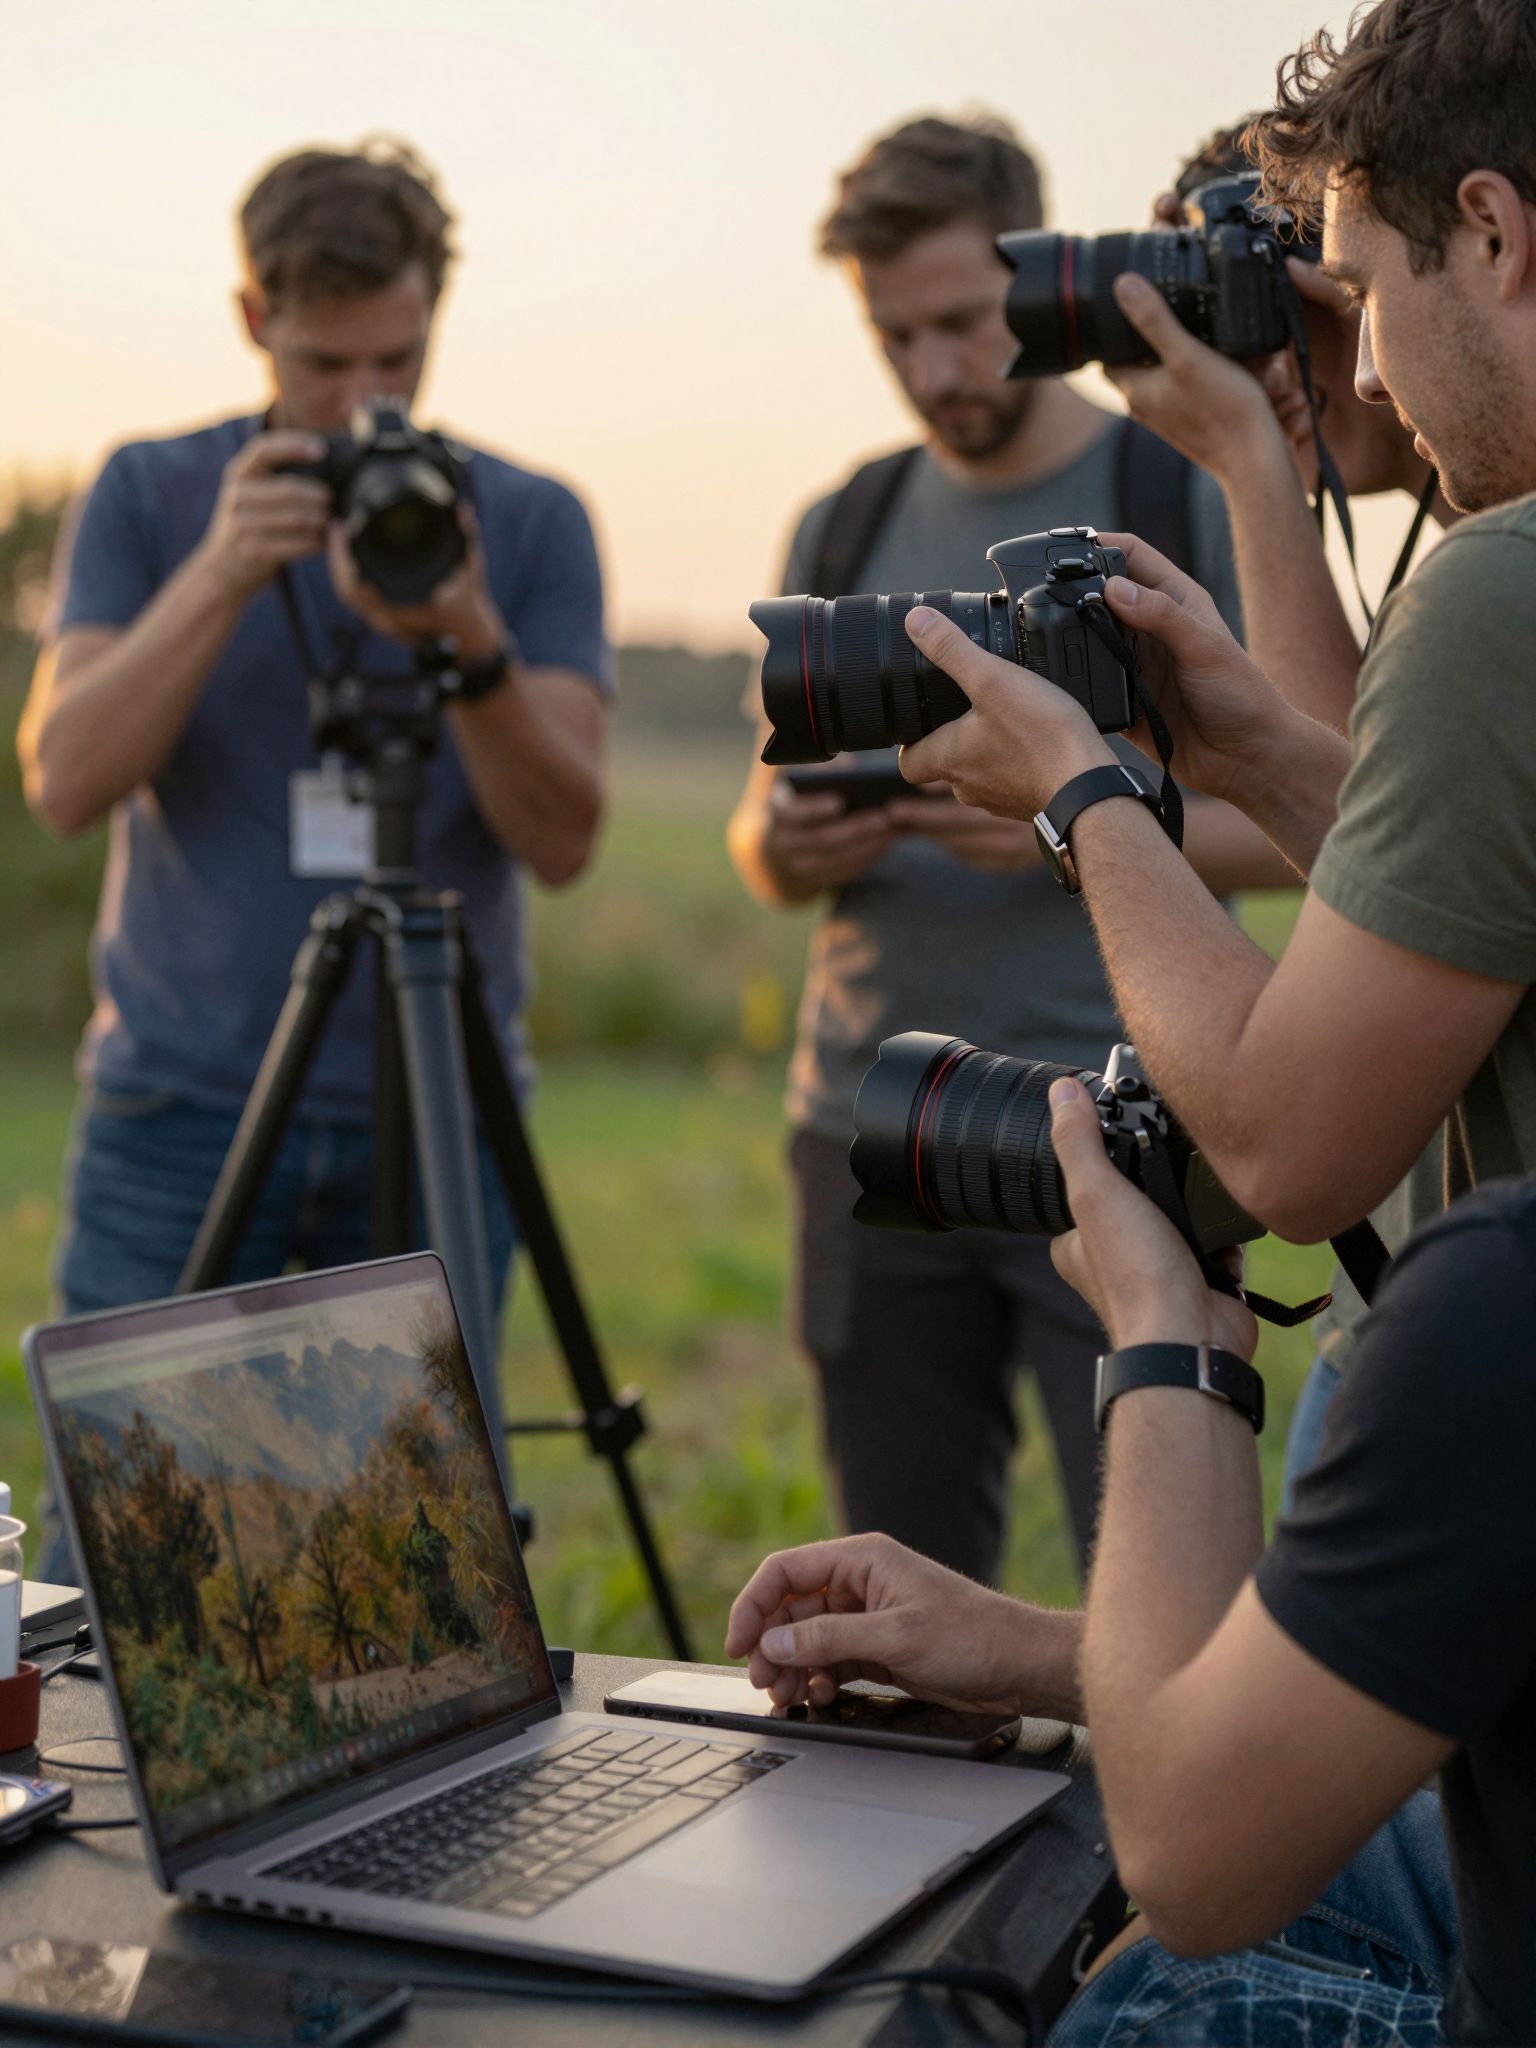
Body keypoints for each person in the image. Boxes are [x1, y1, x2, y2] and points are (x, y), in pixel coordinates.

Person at [18, 140, 611, 1567]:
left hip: (434, 1113)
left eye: (396, 361)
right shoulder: (157, 495)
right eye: (325, 364)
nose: (363, 405)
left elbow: (568, 835)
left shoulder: (520, 523)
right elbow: (62, 778)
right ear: (252, 320)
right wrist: (222, 571)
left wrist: (466, 635)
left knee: (411, 1572)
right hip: (181, 1103)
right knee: (130, 1553)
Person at [726, 114, 1293, 1585]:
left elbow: (1321, 826)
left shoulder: (1174, 493)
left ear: (1032, 277)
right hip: (871, 1129)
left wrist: (1070, 820)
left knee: (1167, 1591)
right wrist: (788, 840)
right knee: (904, 1588)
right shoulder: (843, 523)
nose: (932, 372)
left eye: (965, 323)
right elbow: (757, 847)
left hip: (1121, 1128)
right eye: (892, 334)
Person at [727, 1075, 1532, 2045]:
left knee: (1144, 2006)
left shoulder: (1499, 1292)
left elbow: (1195, 1862)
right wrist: (1022, 1651)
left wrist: (1167, 1329)